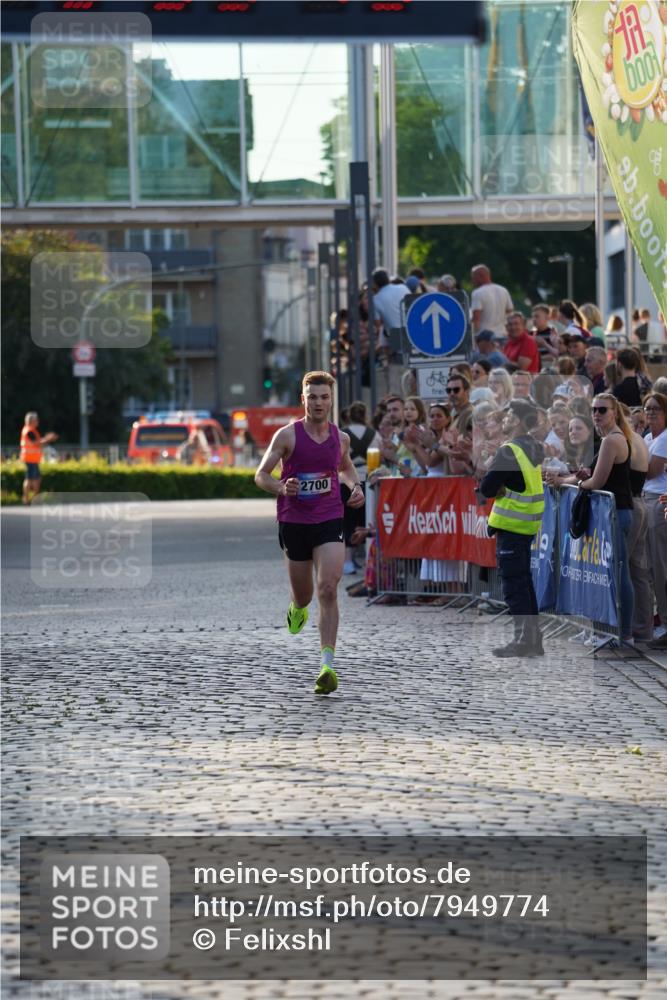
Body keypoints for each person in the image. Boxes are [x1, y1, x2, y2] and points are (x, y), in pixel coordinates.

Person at [254, 371, 365, 695]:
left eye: (324, 397)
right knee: (304, 595)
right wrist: (279, 486)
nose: (318, 402)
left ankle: (327, 665)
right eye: (312, 397)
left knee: (328, 588)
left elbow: (344, 467)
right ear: (303, 400)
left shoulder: (339, 438)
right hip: (294, 521)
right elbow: (260, 475)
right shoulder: (286, 436)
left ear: (331, 400)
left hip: (330, 517)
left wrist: (354, 486)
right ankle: (297, 608)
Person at [556, 394, 636, 645]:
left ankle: (623, 634)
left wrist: (579, 483)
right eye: (594, 409)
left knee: (618, 574)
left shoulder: (612, 440)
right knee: (601, 573)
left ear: (614, 413)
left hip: (618, 513)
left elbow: (598, 482)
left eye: (602, 409)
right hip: (609, 513)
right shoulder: (606, 440)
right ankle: (604, 630)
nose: (597, 413)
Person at [479, 399, 545, 657]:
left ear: (517, 420)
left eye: (507, 416)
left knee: (515, 587)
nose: (504, 419)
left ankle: (524, 642)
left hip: (512, 525)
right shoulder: (533, 446)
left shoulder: (509, 450)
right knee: (524, 584)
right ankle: (533, 641)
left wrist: (495, 479)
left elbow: (486, 487)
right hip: (527, 525)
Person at [342, 400, 380, 575]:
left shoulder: (343, 434)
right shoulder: (373, 434)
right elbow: (379, 454)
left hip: (346, 481)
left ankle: (348, 561)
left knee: (347, 520)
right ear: (365, 416)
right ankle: (368, 560)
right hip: (367, 479)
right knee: (366, 520)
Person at [642, 392, 667, 649]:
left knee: (660, 566)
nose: (650, 412)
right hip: (647, 499)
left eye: (656, 409)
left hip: (659, 503)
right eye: (647, 408)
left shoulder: (664, 438)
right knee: (651, 566)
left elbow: (651, 470)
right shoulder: (648, 438)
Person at [19, 411, 58, 505]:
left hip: (33, 459)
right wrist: (49, 439)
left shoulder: (32, 430)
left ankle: (33, 499)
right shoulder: (28, 431)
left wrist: (47, 439)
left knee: (36, 479)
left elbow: (38, 442)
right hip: (30, 459)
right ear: (31, 421)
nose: (38, 422)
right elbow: (37, 443)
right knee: (30, 479)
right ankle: (27, 499)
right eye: (36, 420)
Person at [470, 264, 513, 340]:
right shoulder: (503, 290)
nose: (472, 281)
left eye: (473, 278)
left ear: (479, 277)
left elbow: (476, 319)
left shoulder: (477, 293)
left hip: (485, 338)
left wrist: (471, 335)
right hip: (502, 335)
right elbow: (509, 312)